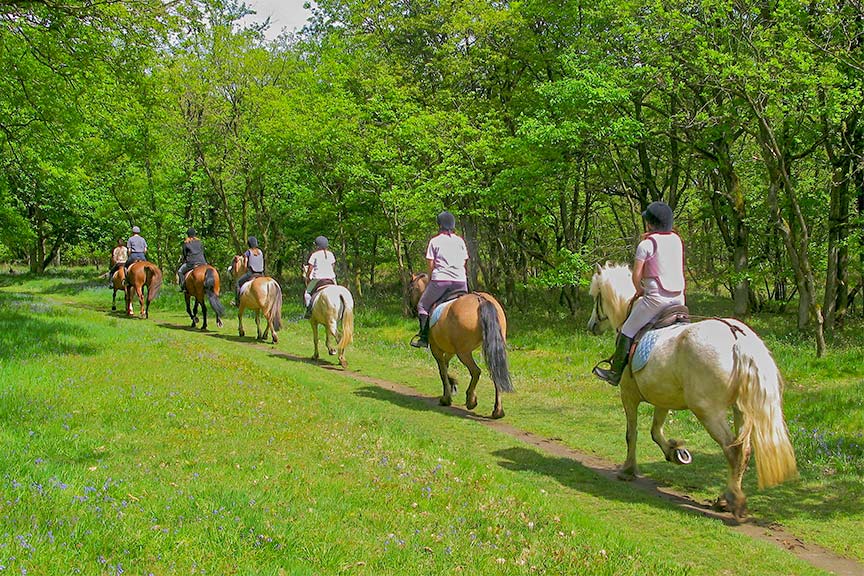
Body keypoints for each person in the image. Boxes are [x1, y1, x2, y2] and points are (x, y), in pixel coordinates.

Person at [593, 201, 686, 386]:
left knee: (627, 330)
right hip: (679, 298)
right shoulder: (677, 240)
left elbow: (636, 277)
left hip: (656, 300)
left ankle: (614, 373)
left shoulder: (646, 245)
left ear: (650, 223)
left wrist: (640, 291)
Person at [411, 211, 469, 348]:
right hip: (461, 282)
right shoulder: (460, 241)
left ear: (439, 225)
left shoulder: (434, 241)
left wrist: (431, 279)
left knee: (422, 306)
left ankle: (424, 338)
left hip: (441, 281)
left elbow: (431, 265)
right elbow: (464, 261)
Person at [304, 236, 337, 318]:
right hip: (331, 278)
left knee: (307, 294)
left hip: (318, 279)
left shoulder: (314, 255)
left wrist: (307, 277)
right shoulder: (331, 254)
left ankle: (309, 311)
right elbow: (333, 266)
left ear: (317, 246)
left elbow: (310, 268)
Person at [235, 236, 265, 305]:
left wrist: (245, 270)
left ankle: (238, 302)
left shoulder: (248, 252)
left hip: (252, 273)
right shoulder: (260, 252)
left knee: (238, 283)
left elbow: (245, 264)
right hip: (261, 273)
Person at [176, 227, 208, 292]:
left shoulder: (186, 243)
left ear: (188, 234)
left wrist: (184, 261)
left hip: (191, 263)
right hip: (203, 262)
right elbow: (203, 252)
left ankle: (183, 287)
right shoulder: (199, 242)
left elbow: (184, 255)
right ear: (195, 234)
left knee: (180, 271)